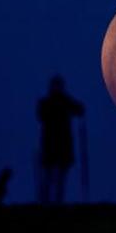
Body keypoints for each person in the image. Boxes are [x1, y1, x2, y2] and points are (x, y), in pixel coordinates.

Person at [36, 74, 85, 204]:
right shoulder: (51, 102)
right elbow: (79, 109)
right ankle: (49, 201)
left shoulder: (55, 102)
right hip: (54, 144)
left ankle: (55, 202)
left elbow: (79, 109)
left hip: (59, 144)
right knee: (52, 175)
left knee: (58, 176)